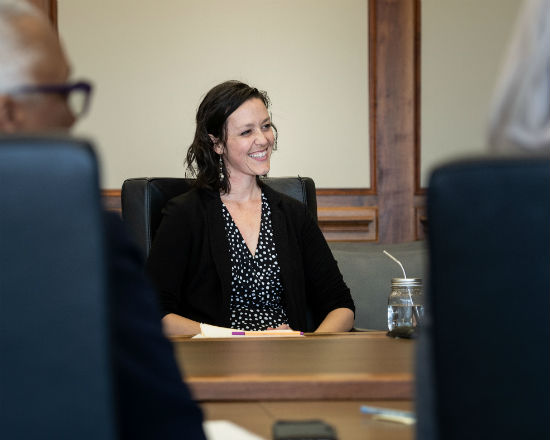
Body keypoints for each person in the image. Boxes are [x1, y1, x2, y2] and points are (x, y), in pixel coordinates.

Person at [0, 2, 206, 439]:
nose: (74, 114)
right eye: (62, 93)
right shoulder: (81, 238)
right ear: (9, 112)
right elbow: (164, 416)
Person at [146, 80, 355, 336]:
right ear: (217, 144)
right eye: (246, 132)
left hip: (288, 360)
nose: (263, 139)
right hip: (213, 364)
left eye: (266, 126)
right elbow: (154, 314)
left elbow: (341, 306)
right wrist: (245, 338)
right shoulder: (184, 214)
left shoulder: (293, 214)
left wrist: (306, 348)